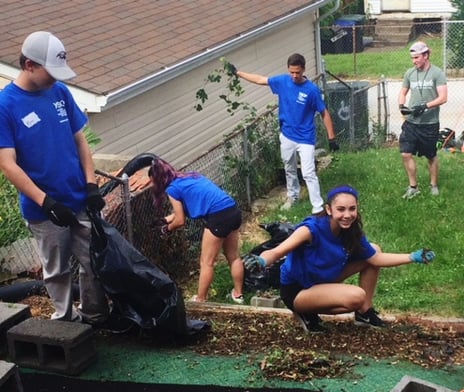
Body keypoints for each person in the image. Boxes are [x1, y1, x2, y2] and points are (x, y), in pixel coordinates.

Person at [0, 31, 109, 324]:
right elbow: (8, 164)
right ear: (29, 65)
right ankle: (65, 320)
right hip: (44, 210)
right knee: (57, 269)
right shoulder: (5, 106)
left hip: (78, 197)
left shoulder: (59, 92)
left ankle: (95, 316)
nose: (55, 78)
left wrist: (90, 184)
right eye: (50, 71)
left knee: (94, 261)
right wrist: (45, 202)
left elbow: (80, 141)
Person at [243, 184, 435, 333]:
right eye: (341, 209)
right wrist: (261, 261)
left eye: (352, 209)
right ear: (329, 210)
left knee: (373, 250)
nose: (347, 215)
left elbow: (376, 259)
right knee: (356, 296)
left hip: (320, 281)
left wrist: (413, 257)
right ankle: (305, 312)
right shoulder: (310, 230)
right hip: (298, 291)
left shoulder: (351, 232)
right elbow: (277, 251)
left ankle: (364, 313)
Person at [233, 53, 338, 214]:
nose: (294, 76)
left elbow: (324, 113)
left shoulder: (311, 90)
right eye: (292, 72)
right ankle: (293, 196)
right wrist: (238, 73)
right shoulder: (282, 81)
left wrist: (332, 138)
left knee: (308, 172)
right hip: (287, 135)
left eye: (297, 72)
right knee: (289, 167)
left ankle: (318, 207)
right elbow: (260, 80)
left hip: (305, 138)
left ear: (303, 69)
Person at [147, 157, 245, 304]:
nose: (152, 184)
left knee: (206, 262)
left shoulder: (172, 189)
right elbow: (183, 210)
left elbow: (180, 221)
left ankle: (200, 299)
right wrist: (164, 220)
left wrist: (166, 229)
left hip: (218, 218)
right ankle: (238, 295)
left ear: (159, 179)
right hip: (232, 210)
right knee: (234, 257)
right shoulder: (191, 176)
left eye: (152, 181)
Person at [398, 41, 448, 199]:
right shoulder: (410, 73)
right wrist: (401, 105)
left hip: (429, 124)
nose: (414, 61)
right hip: (411, 122)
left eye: (417, 57)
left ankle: (433, 185)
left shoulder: (437, 73)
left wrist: (425, 106)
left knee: (431, 156)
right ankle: (413, 187)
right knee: (405, 154)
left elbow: (443, 97)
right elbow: (403, 92)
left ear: (426, 55)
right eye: (412, 58)